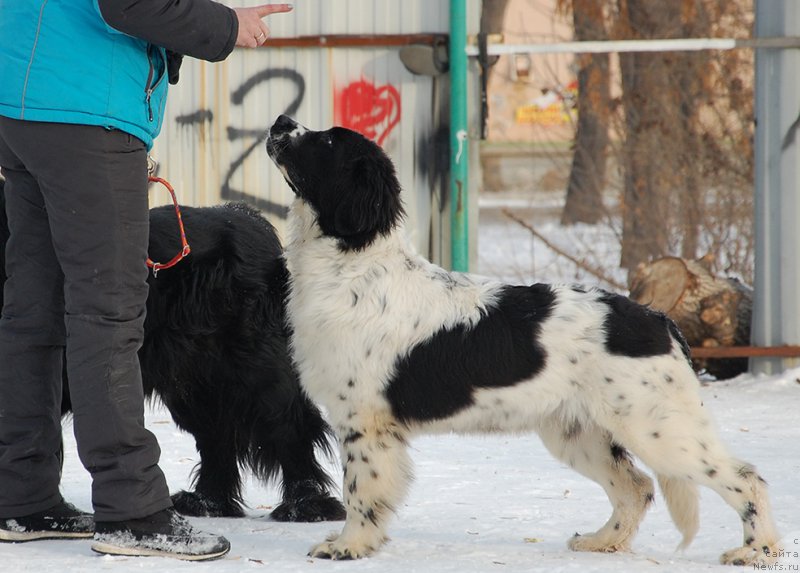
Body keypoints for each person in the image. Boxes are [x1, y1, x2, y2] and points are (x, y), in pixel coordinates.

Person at [0, 0, 292, 561]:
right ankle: (132, 508)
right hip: (87, 110)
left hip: (23, 104)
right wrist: (227, 25)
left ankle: (23, 493)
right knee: (106, 312)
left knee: (33, 312)